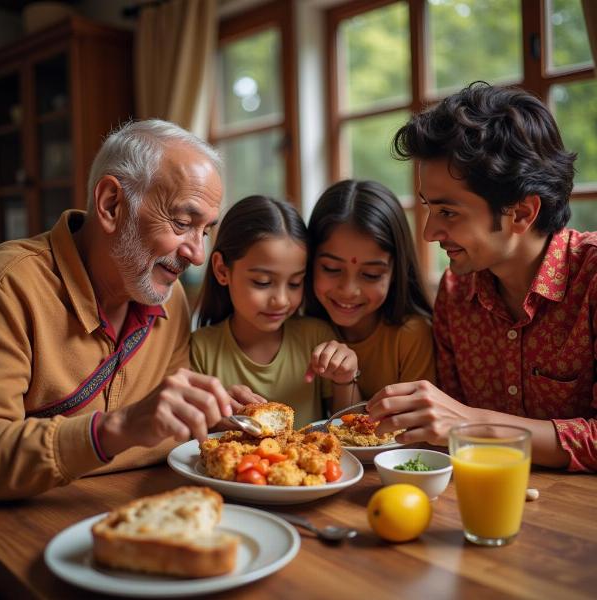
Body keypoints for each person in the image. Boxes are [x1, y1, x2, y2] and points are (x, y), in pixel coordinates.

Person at [0, 119, 237, 500]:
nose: (198, 254)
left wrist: (210, 413)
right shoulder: (10, 286)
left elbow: (159, 424)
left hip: (135, 511)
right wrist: (118, 428)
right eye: (181, 222)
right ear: (111, 204)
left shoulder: (169, 297)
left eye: (205, 230)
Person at [368, 81, 597, 472]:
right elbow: (447, 439)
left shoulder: (591, 276)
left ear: (522, 213)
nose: (428, 233)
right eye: (427, 207)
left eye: (448, 212)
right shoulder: (456, 292)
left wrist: (473, 423)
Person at [190, 195, 361, 428]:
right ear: (222, 270)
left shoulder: (315, 337)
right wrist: (217, 414)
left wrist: (345, 379)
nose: (281, 300)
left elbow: (349, 428)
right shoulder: (200, 349)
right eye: (262, 282)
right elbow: (190, 437)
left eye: (294, 283)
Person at [305, 179, 435, 401]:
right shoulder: (298, 331)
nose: (349, 290)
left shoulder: (410, 337)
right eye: (332, 268)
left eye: (371, 274)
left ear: (396, 271)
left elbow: (415, 430)